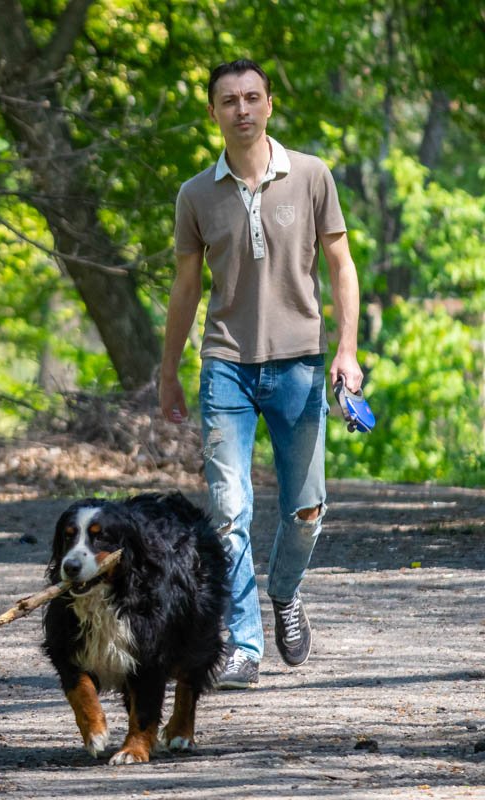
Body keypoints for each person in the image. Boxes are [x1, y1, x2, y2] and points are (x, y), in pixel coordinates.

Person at [158, 59, 363, 689]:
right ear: (214, 112)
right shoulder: (196, 194)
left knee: (308, 510)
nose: (241, 109)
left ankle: (286, 591)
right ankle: (244, 645)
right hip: (227, 368)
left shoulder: (310, 176)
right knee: (227, 512)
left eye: (252, 97)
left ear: (270, 104)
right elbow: (186, 285)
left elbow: (341, 265)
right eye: (228, 100)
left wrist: (347, 350)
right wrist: (168, 371)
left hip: (301, 365)